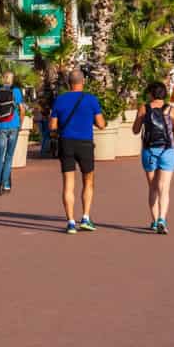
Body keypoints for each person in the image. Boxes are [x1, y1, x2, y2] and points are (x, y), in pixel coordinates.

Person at [48, 69, 105, 233]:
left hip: (66, 143)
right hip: (85, 143)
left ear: (68, 83)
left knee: (68, 183)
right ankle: (85, 217)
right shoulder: (91, 99)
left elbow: (52, 126)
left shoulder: (60, 100)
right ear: (83, 81)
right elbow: (101, 124)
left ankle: (71, 222)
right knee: (88, 181)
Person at [131, 80, 174, 234]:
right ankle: (162, 218)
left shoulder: (144, 108)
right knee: (164, 188)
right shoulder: (172, 110)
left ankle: (155, 221)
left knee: (153, 187)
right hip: (167, 151)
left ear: (150, 94)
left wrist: (140, 119)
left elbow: (135, 130)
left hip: (149, 151)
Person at [0, 71, 24, 195]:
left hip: (0, 126)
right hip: (14, 126)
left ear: (2, 78)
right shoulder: (16, 91)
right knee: (9, 157)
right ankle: (6, 184)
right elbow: (21, 109)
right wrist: (21, 123)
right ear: (12, 79)